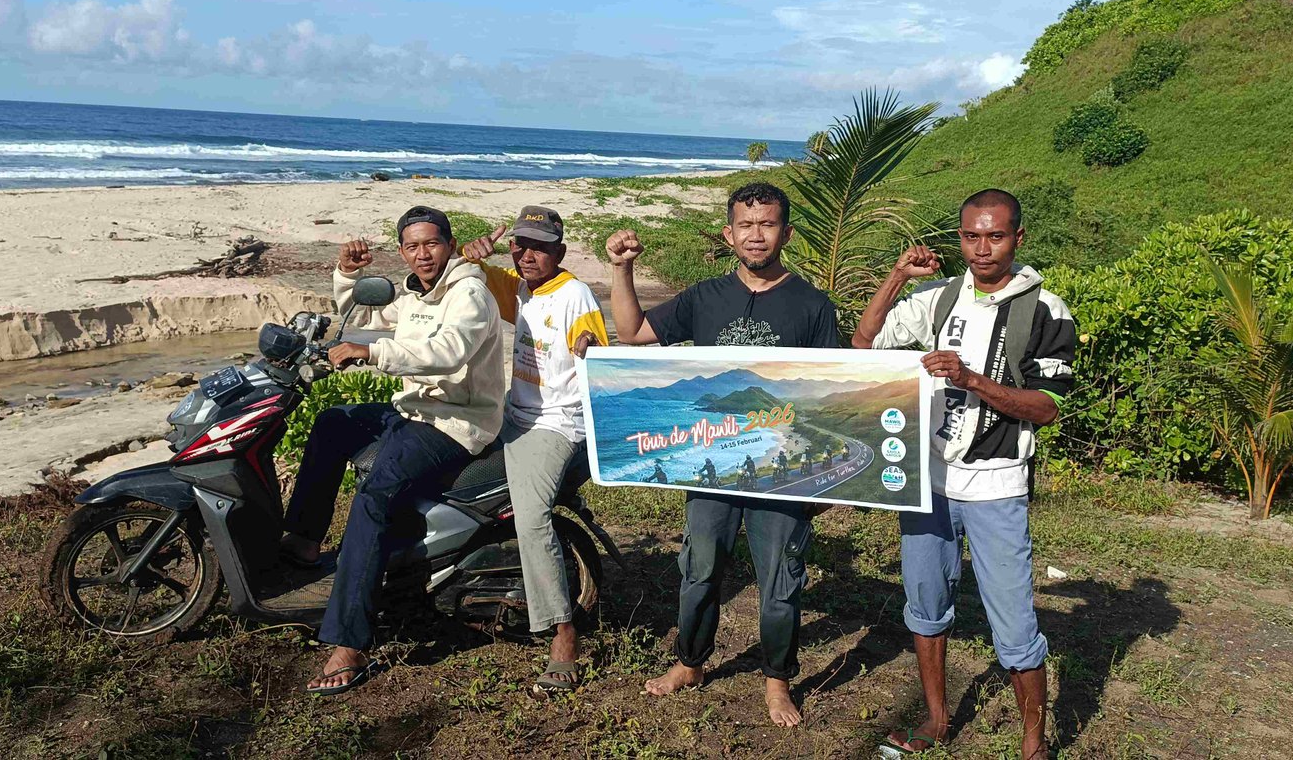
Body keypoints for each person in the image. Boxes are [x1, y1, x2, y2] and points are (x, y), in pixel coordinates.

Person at [606, 181, 840, 728]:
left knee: (780, 580)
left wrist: (826, 478)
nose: (756, 236)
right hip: (712, 461)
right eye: (745, 225)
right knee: (700, 569)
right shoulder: (703, 297)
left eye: (767, 224)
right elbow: (632, 331)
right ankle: (690, 663)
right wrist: (621, 269)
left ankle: (777, 681)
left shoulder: (811, 304)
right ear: (728, 232)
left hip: (779, 472)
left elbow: (826, 385)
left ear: (786, 231)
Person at [851, 189, 1075, 759]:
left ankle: (1033, 743)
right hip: (928, 480)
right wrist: (898, 276)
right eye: (971, 236)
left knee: (1015, 621)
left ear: (1018, 238)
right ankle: (936, 720)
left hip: (997, 482)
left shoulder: (1045, 308)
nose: (982, 248)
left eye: (995, 236)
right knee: (926, 604)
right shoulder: (941, 297)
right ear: (960, 239)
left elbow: (1047, 407)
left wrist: (973, 380)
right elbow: (865, 342)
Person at [280, 205, 506, 696]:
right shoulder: (414, 294)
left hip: (456, 422)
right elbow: (362, 313)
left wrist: (370, 352)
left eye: (431, 244)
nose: (422, 255)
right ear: (402, 252)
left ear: (449, 244)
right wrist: (348, 273)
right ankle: (300, 542)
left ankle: (350, 642)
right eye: (411, 246)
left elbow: (448, 351)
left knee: (375, 497)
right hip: (412, 411)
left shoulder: (470, 293)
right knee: (332, 423)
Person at [458, 205, 609, 693]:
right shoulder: (519, 286)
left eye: (540, 247)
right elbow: (471, 279)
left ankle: (563, 635)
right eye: (521, 244)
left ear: (560, 252)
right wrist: (471, 255)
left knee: (532, 515)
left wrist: (590, 345)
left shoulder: (576, 294)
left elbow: (595, 343)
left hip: (556, 424)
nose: (528, 254)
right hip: (510, 414)